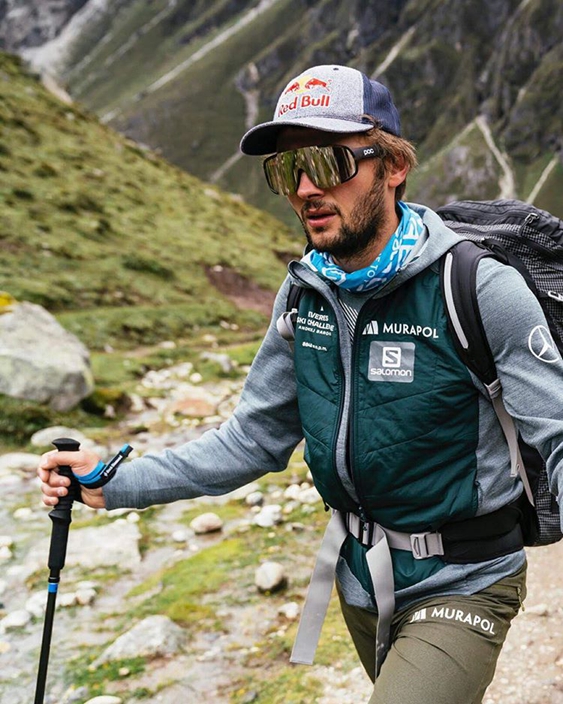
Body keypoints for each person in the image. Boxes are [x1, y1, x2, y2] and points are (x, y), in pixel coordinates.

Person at [38, 64, 563, 704]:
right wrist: (113, 481)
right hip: (360, 581)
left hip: (467, 579)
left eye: (328, 161)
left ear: (393, 167)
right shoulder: (303, 297)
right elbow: (251, 440)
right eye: (287, 169)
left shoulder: (476, 288)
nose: (306, 188)